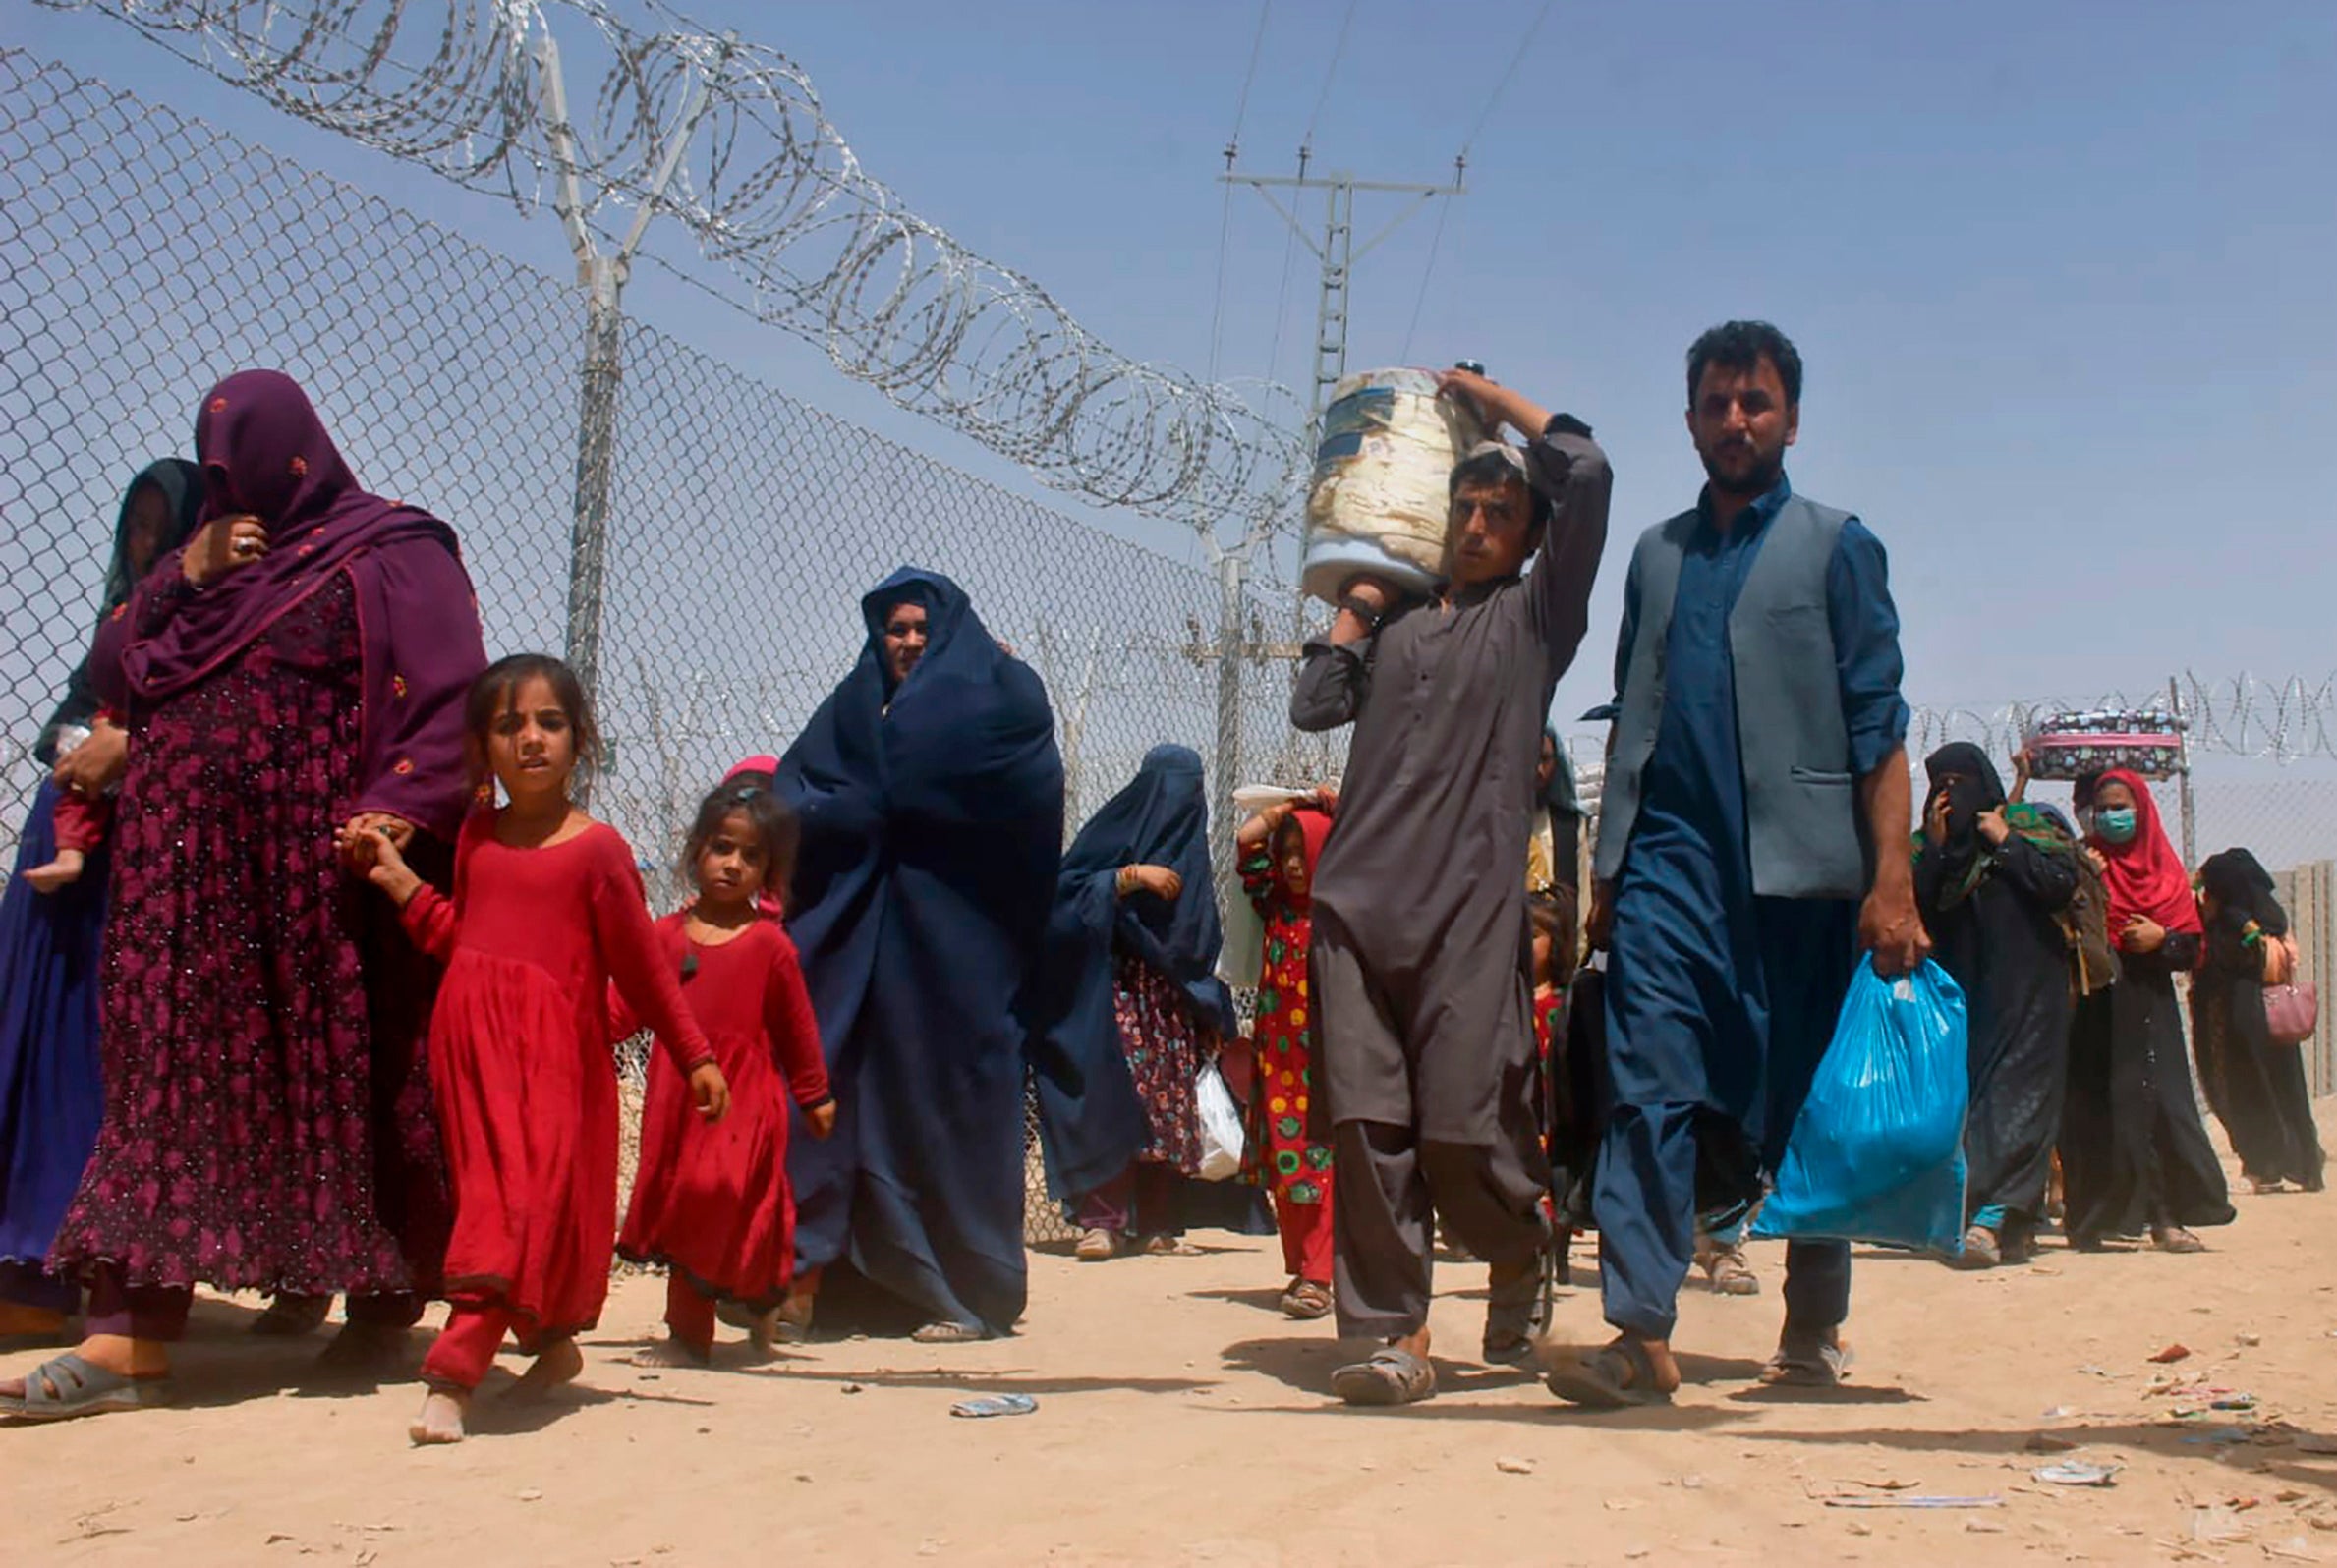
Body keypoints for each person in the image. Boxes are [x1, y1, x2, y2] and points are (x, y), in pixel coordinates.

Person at [10, 372, 484, 1421]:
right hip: (177, 879)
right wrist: (181, 570)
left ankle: (380, 1302)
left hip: (314, 872)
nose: (237, 488)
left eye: (246, 465)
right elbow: (119, 673)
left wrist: (398, 805)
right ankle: (126, 1336)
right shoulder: (210, 565)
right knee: (161, 1079)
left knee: (346, 1075)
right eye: (216, 471)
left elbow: (448, 685)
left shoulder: (390, 551)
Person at [1550, 321, 1923, 1410]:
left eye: (1753, 403)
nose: (1733, 421)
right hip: (1667, 874)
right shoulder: (1656, 555)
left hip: (1801, 880)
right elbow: (1632, 714)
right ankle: (1640, 1328)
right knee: (1645, 1090)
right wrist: (1610, 872)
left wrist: (1889, 881)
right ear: (1688, 421)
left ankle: (1810, 1329)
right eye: (1714, 404)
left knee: (1804, 1098)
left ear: (1789, 418)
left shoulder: (1834, 544)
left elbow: (1877, 727)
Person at [1289, 367, 1610, 1406]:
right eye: (1462, 507)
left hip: (1467, 916)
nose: (1475, 524)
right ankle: (1395, 1336)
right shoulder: (1399, 629)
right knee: (1369, 1129)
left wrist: (1489, 397)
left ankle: (1520, 1245)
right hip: (1356, 910)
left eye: (1499, 513)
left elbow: (1589, 473)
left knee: (1466, 1124)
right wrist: (1359, 604)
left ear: (1526, 538)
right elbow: (1310, 705)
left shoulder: (1531, 625)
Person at [359, 655, 730, 1443]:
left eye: (549, 723)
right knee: (502, 1204)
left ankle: (453, 1376)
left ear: (579, 739)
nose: (530, 739)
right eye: (508, 725)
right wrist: (396, 881)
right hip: (470, 1058)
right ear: (483, 748)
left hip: (554, 1063)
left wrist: (694, 1053)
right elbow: (465, 940)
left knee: (512, 1208)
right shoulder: (476, 836)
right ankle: (552, 1347)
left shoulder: (599, 852)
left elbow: (643, 968)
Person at [776, 568, 1064, 1343]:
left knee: (948, 1105)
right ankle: (829, 1284)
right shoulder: (851, 705)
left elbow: (999, 789)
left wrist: (874, 798)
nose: (905, 643)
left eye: (919, 631)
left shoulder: (1002, 694)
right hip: (861, 942)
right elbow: (795, 788)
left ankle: (963, 1293)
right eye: (893, 630)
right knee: (847, 1096)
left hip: (959, 949)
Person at [0, 460, 202, 1338]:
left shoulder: (208, 630)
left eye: (167, 528)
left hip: (136, 871)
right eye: (137, 529)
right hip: (62, 855)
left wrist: (129, 745)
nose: (148, 546)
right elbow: (73, 719)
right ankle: (23, 1264)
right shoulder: (119, 629)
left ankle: (73, 1266)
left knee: (91, 1057)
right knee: (30, 1042)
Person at [617, 774, 838, 1365]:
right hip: (676, 1102)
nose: (733, 864)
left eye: (751, 855)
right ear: (696, 852)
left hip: (746, 1105)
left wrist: (815, 1095)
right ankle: (700, 1327)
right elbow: (629, 1005)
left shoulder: (770, 947)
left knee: (717, 1196)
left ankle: (719, 1326)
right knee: (684, 1201)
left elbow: (797, 1030)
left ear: (768, 871)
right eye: (722, 847)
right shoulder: (664, 938)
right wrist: (579, 1033)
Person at [1029, 745, 1238, 1261]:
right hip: (1111, 995)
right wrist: (1126, 879)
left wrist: (1208, 1011)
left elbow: (1200, 944)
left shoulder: (1193, 854)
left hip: (1170, 1009)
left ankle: (1160, 1225)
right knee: (1110, 1102)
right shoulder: (1112, 836)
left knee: (1165, 1112)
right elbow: (1062, 896)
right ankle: (1102, 1222)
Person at [1913, 743, 2082, 1268]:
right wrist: (1940, 849)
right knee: (1981, 1107)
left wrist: (2006, 842)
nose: (1951, 793)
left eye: (1961, 781)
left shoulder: (2027, 825)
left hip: (2034, 990)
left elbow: (2060, 884)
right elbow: (1923, 911)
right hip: (1968, 997)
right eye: (1941, 783)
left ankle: (1994, 1215)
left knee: (2023, 1100)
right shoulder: (1933, 847)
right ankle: (2006, 1221)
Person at [2059, 771, 2233, 1253]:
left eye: (2121, 805)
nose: (2112, 815)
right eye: (2103, 806)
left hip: (2149, 1006)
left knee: (2159, 1109)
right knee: (2096, 1110)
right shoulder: (2083, 860)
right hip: (2096, 1007)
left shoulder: (2165, 873)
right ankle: (2094, 1220)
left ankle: (2166, 1216)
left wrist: (2162, 939)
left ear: (2142, 809)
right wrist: (2086, 881)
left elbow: (2190, 948)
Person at [1235, 792, 1339, 1318]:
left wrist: (1338, 812)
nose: (1294, 863)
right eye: (1288, 852)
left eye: (1306, 851)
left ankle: (1320, 1275)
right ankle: (1304, 1269)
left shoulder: (1344, 912)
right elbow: (1246, 841)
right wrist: (1291, 806)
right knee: (1290, 1164)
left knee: (1324, 1166)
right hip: (1279, 1065)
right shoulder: (1275, 905)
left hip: (1330, 1064)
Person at [2193, 848, 2324, 1194]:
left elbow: (2220, 965)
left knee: (2247, 1090)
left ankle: (2263, 1167)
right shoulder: (2269, 914)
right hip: (2273, 1018)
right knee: (2285, 1088)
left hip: (2239, 1018)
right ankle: (2304, 1164)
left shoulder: (2230, 920)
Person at [1528, 726, 1585, 904]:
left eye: (1544, 759)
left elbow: (1583, 908)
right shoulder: (1489, 826)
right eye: (1529, 759)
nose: (1538, 770)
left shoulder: (1571, 825)